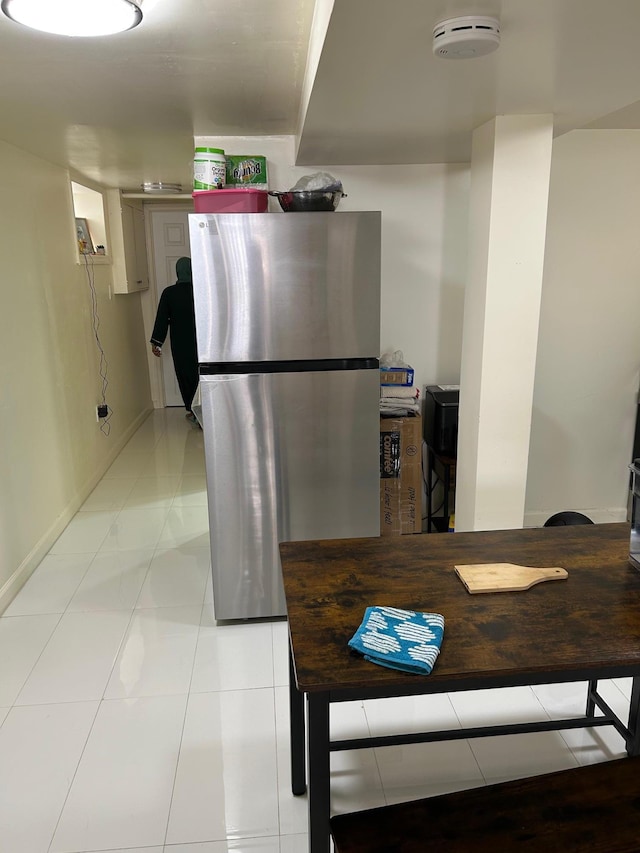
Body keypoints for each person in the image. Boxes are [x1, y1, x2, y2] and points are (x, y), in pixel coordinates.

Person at [150, 257, 199, 423]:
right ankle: (207, 411)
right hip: (203, 343)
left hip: (181, 344)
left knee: (186, 376)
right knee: (203, 375)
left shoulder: (169, 293)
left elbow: (162, 320)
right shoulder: (201, 289)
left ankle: (194, 412)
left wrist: (157, 343)